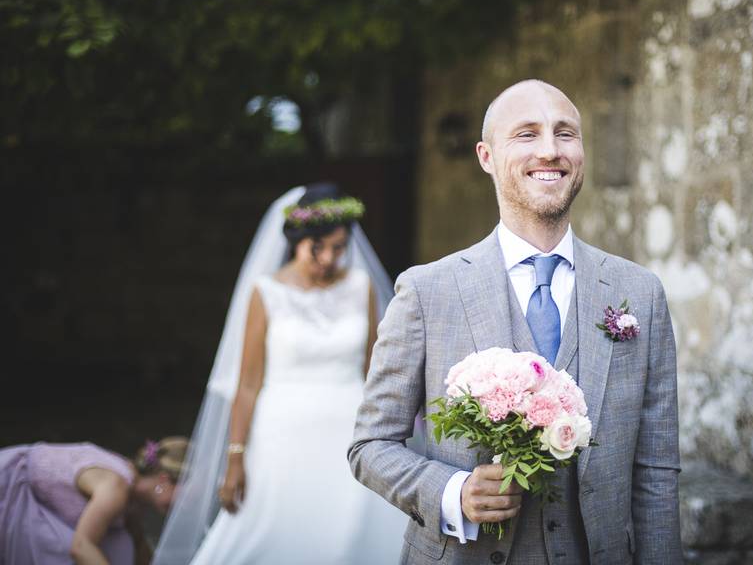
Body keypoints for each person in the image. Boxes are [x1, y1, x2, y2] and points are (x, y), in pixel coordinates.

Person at [350, 79, 682, 564]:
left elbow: (655, 468)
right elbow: (370, 445)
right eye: (527, 135)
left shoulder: (641, 294)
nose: (550, 150)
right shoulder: (427, 291)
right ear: (486, 156)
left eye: (565, 133)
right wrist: (454, 492)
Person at [153, 184, 407, 565]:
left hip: (350, 429)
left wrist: (392, 430)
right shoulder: (266, 292)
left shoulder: (360, 285)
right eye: (317, 247)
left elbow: (374, 367)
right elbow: (249, 383)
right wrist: (235, 458)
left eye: (338, 247)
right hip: (280, 435)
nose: (328, 258)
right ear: (296, 241)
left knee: (351, 530)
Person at [0, 436, 187, 565]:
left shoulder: (135, 499)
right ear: (164, 479)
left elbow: (139, 546)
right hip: (10, 489)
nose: (181, 508)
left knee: (120, 543)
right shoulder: (116, 487)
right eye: (185, 497)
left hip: (39, 507)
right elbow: (81, 547)